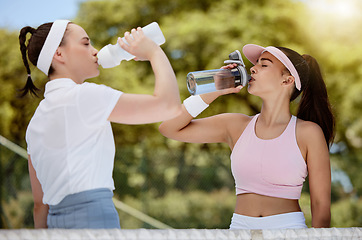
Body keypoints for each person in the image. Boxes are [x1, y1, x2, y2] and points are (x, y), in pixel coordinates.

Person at [19, 20, 181, 229]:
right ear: (59, 54)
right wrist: (154, 52)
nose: (94, 51)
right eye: (86, 44)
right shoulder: (85, 96)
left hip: (53, 228)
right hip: (95, 221)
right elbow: (169, 107)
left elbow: (40, 205)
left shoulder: (35, 123)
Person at [159, 44, 335, 229]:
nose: (252, 68)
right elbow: (169, 128)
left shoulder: (308, 133)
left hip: (288, 230)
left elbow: (320, 206)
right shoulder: (236, 126)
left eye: (264, 65)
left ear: (287, 80)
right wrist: (215, 89)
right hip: (240, 230)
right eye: (256, 63)